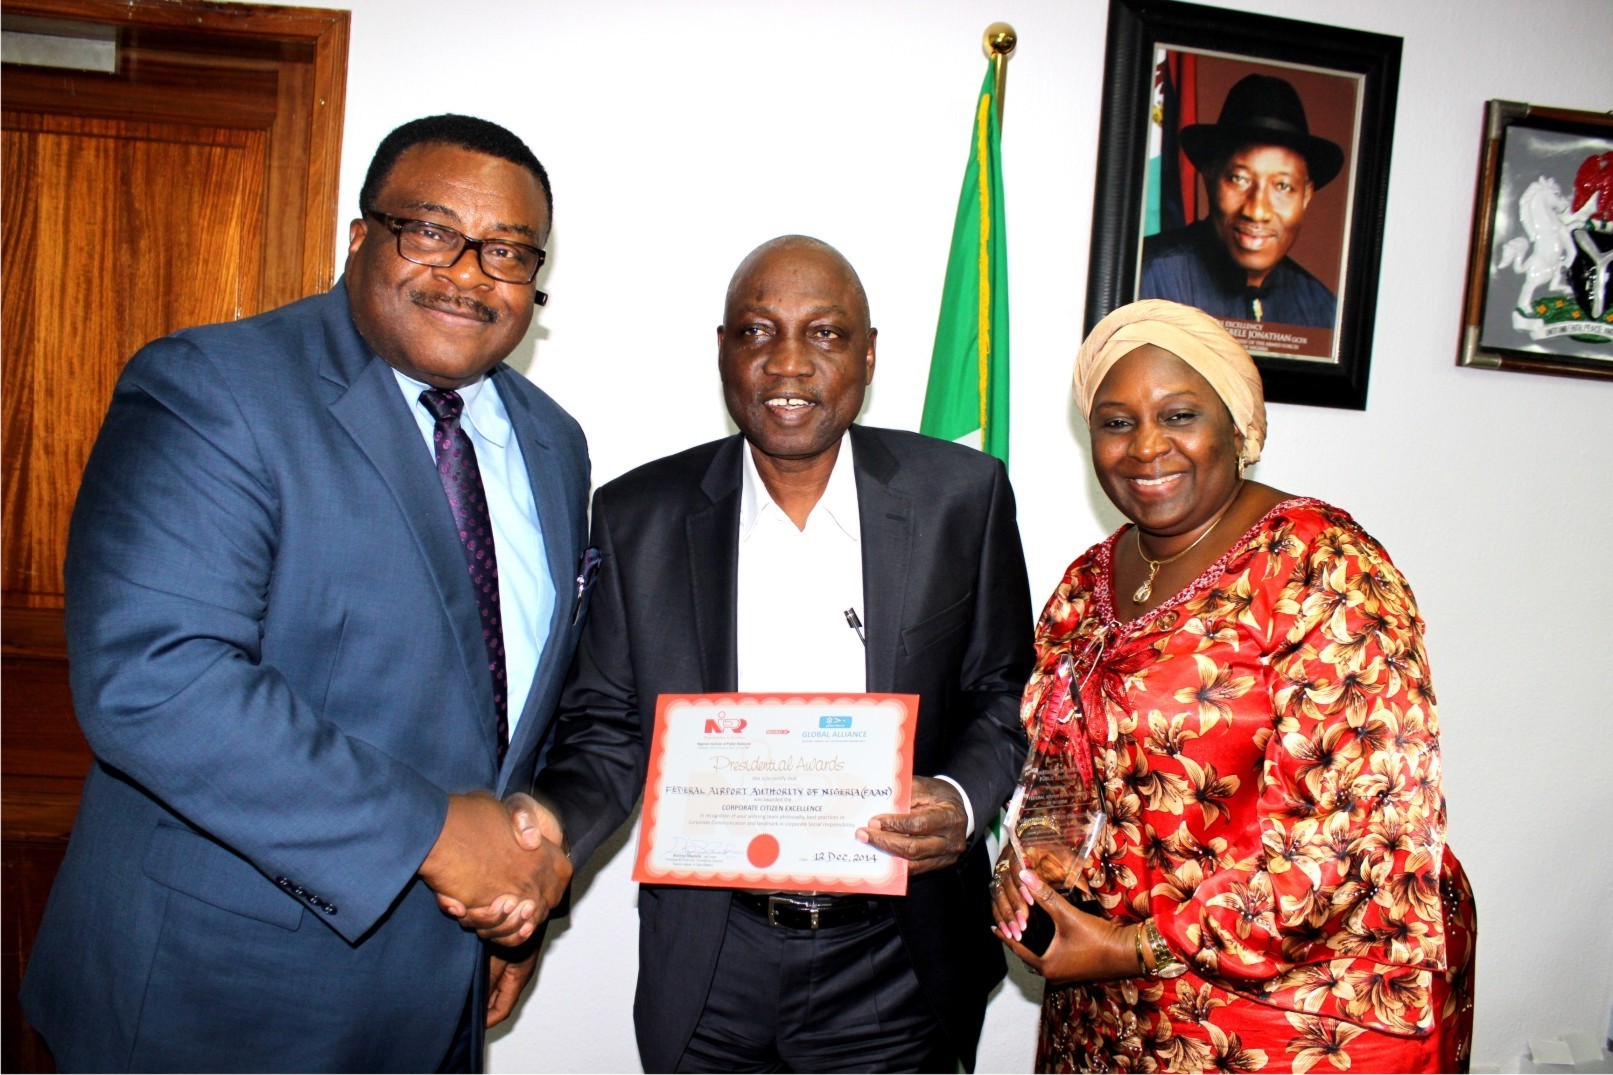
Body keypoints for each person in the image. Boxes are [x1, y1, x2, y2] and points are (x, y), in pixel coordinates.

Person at [20, 114, 588, 1072]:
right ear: (361, 237)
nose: (467, 272)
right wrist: (440, 833)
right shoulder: (213, 388)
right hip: (216, 999)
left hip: (439, 988)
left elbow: (512, 700)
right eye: (433, 231)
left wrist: (515, 896)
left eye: (506, 252)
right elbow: (159, 680)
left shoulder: (553, 441)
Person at [518, 235, 1033, 1072]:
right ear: (722, 350)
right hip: (714, 956)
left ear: (868, 356)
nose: (787, 363)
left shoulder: (959, 496)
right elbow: (604, 726)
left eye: (824, 334)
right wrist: (543, 835)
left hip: (894, 957)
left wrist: (960, 798)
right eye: (757, 332)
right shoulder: (637, 514)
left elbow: (1007, 688)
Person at [989, 299, 1476, 1072]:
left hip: (1288, 1015)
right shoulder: (1088, 580)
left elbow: (1362, 832)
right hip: (1108, 1012)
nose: (1145, 446)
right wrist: (1030, 867)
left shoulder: (1323, 568)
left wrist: (1137, 944)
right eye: (1115, 423)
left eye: (1177, 414)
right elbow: (1057, 767)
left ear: (1237, 426)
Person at [1140, 74, 1344, 328]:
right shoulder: (1144, 278)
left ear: (1305, 196)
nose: (1257, 211)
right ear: (1209, 177)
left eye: (1283, 186)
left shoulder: (1323, 312)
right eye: (1239, 179)